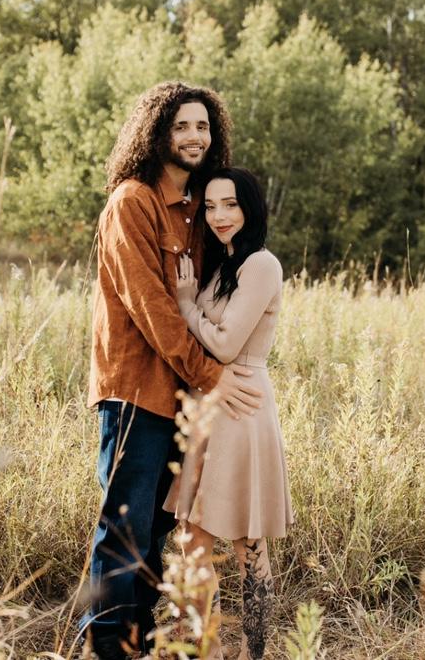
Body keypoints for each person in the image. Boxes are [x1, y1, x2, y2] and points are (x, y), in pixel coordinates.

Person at [81, 83, 264, 660]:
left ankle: (136, 639)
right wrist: (211, 374)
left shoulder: (200, 209)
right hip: (137, 390)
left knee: (159, 530)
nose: (193, 137)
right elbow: (153, 309)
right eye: (181, 126)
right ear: (156, 133)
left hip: (185, 398)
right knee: (126, 524)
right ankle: (106, 646)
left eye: (202, 126)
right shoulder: (131, 203)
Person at [165, 167, 293, 660]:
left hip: (242, 406)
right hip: (207, 407)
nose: (219, 216)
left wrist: (185, 304)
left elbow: (224, 343)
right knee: (192, 535)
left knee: (247, 541)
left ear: (250, 208)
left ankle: (253, 652)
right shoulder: (223, 266)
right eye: (212, 206)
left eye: (231, 204)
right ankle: (209, 648)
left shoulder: (261, 265)